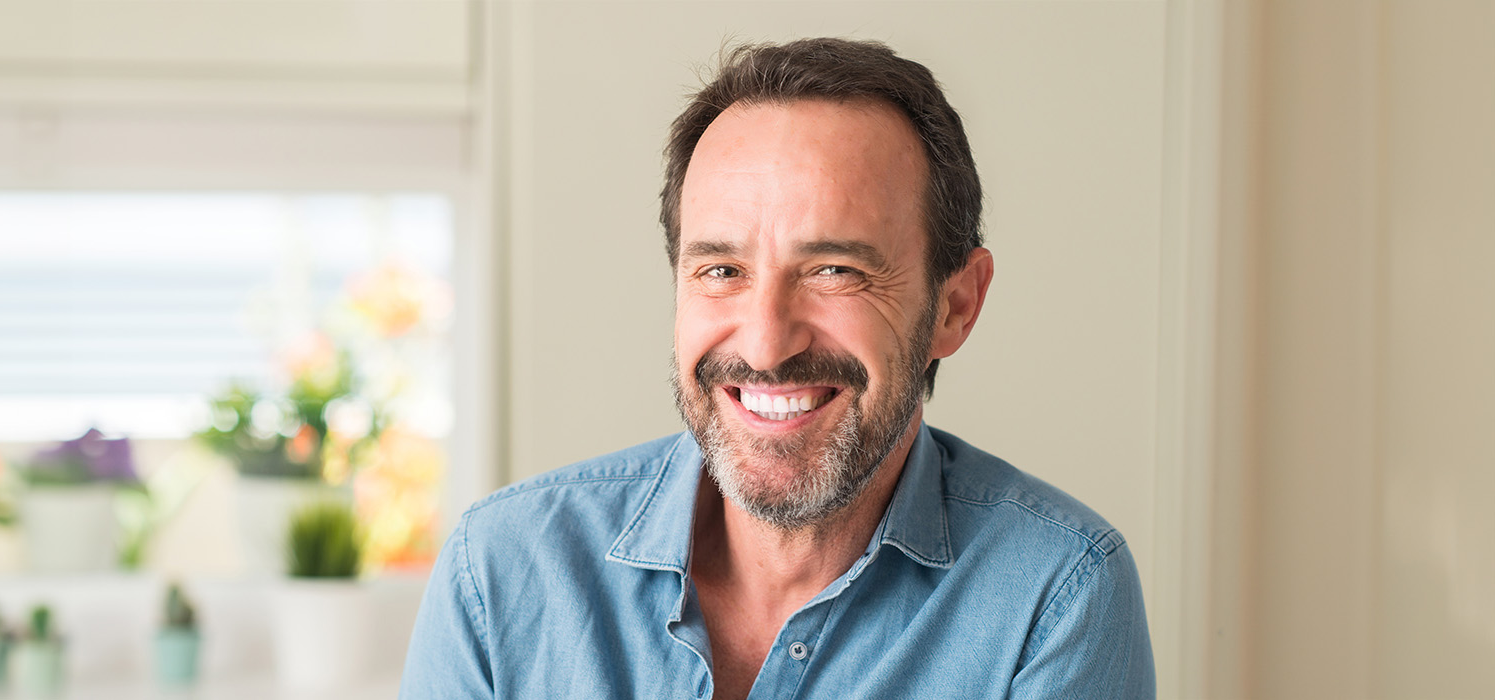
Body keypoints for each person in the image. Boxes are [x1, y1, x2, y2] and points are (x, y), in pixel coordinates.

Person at [401, 38, 1155, 699]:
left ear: (955, 306)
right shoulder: (499, 573)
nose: (764, 346)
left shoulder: (1057, 595)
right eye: (721, 270)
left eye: (833, 270)